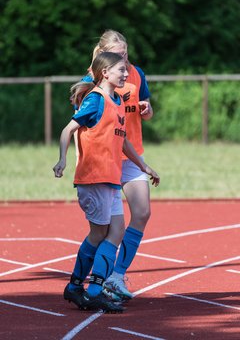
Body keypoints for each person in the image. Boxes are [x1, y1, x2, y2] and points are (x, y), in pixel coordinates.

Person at [53, 52, 160, 313]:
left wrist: (143, 165)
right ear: (105, 73)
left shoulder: (117, 102)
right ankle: (81, 287)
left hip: (110, 179)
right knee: (100, 233)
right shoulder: (95, 100)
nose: (126, 74)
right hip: (94, 177)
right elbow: (68, 129)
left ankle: (89, 289)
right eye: (121, 70)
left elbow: (123, 140)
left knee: (116, 231)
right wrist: (62, 160)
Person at [77, 30, 155, 301]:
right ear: (103, 55)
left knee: (142, 213)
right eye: (117, 54)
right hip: (106, 158)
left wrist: (146, 109)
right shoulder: (94, 78)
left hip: (131, 154)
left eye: (125, 54)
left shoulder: (136, 74)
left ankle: (116, 276)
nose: (123, 59)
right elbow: (80, 124)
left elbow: (145, 108)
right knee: (105, 230)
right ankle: (84, 284)